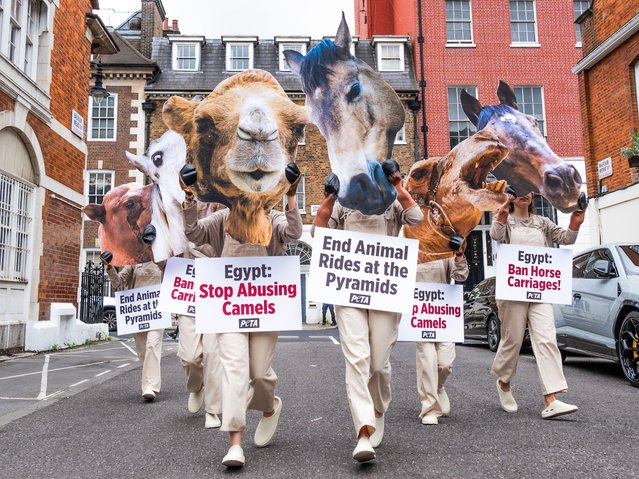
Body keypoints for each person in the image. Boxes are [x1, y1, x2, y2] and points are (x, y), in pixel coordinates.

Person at [182, 165, 302, 468]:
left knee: (260, 374)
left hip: (264, 308)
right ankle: (235, 442)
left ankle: (269, 406)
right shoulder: (222, 218)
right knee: (234, 373)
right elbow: (194, 234)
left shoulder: (271, 217)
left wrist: (290, 195)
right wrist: (189, 196)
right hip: (227, 309)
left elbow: (294, 232)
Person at [313, 161, 424, 463]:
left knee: (378, 364)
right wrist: (329, 197)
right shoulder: (345, 201)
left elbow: (416, 217)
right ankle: (363, 429)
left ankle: (378, 408)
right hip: (348, 290)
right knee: (357, 358)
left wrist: (399, 187)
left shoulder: (390, 200)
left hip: (385, 290)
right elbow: (320, 233)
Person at [490, 191, 585, 419]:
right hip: (513, 290)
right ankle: (503, 382)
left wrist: (574, 224)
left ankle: (551, 398)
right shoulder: (507, 220)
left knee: (546, 338)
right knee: (512, 340)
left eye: (528, 191)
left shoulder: (543, 223)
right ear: (512, 196)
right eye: (518, 190)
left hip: (541, 288)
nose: (524, 194)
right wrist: (502, 213)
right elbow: (495, 234)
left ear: (532, 196)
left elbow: (567, 239)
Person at [415, 253, 469, 425]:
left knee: (445, 363)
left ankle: (438, 387)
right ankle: (429, 408)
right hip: (420, 310)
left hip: (444, 310)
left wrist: (459, 255)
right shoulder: (406, 238)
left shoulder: (444, 244)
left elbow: (461, 275)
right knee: (427, 359)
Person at [103, 254, 164, 402]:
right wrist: (110, 267)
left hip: (158, 311)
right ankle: (151, 381)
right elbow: (118, 283)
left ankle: (150, 387)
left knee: (152, 345)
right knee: (143, 352)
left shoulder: (163, 261)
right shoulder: (133, 263)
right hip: (138, 313)